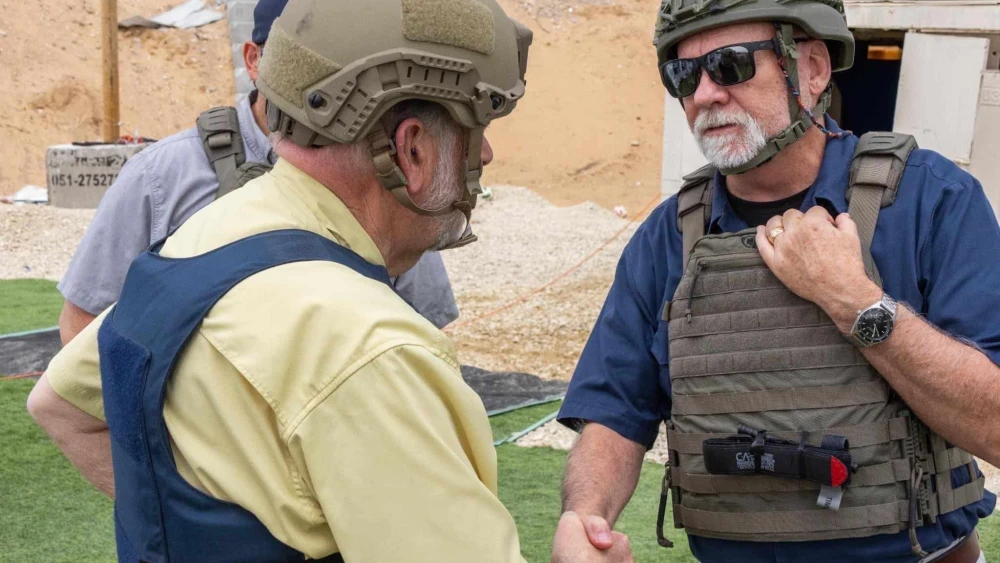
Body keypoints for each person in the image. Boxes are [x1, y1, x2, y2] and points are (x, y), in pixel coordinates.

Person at [25, 1, 569, 561]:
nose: (486, 153)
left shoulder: (207, 236)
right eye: (475, 130)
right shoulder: (367, 350)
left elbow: (61, 405)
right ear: (412, 148)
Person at [553, 0, 1000, 561]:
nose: (706, 94)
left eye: (733, 64)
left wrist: (856, 302)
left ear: (811, 69)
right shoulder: (668, 237)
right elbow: (614, 413)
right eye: (684, 75)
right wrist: (586, 517)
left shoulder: (930, 202)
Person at [56, 0, 460, 345]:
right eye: (298, 59)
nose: (322, 80)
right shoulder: (162, 176)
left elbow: (425, 324)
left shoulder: (385, 168)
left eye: (338, 63)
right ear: (253, 60)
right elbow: (82, 323)